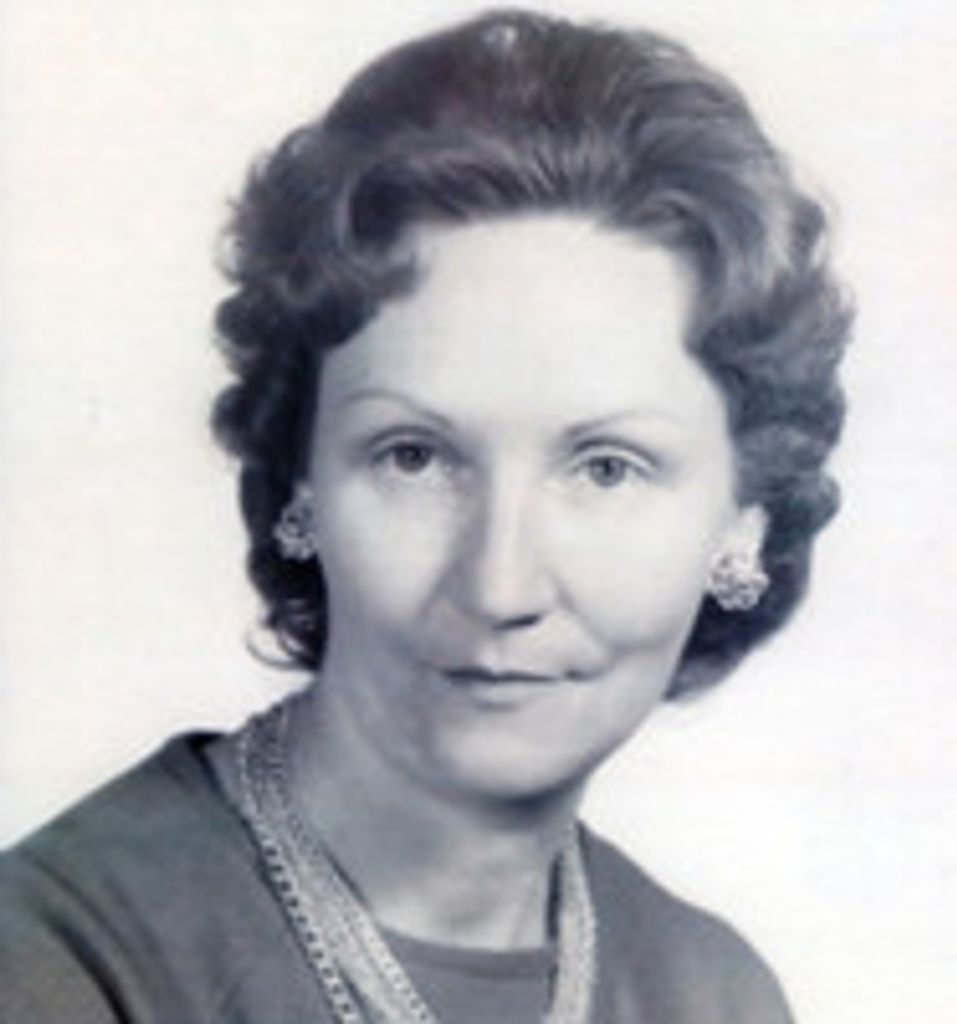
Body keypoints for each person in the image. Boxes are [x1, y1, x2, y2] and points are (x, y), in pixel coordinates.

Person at [0, 9, 851, 1022]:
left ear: (744, 520)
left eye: (605, 468)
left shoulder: (716, 994)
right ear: (301, 482)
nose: (500, 584)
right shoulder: (58, 959)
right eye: (414, 456)